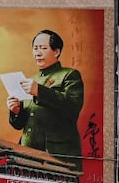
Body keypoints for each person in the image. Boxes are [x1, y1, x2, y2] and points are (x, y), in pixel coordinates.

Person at [7, 29, 84, 170]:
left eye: (43, 48)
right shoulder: (30, 80)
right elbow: (20, 124)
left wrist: (39, 91)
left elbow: (71, 107)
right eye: (35, 48)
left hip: (57, 154)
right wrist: (16, 111)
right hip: (27, 153)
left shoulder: (69, 75)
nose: (38, 53)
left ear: (56, 52)